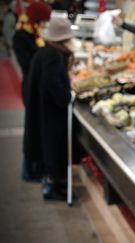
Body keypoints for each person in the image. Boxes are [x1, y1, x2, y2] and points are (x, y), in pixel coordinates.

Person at [26, 17, 75, 200]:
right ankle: (57, 188)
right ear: (62, 40)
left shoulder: (43, 53)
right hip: (51, 115)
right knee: (54, 151)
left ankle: (53, 183)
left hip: (42, 113)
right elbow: (54, 86)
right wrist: (68, 96)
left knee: (48, 150)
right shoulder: (53, 57)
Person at [12, 1, 51, 182]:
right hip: (31, 87)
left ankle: (37, 167)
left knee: (38, 129)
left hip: (39, 86)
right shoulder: (21, 36)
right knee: (32, 130)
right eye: (43, 21)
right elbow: (28, 63)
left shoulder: (34, 33)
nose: (44, 25)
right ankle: (29, 170)